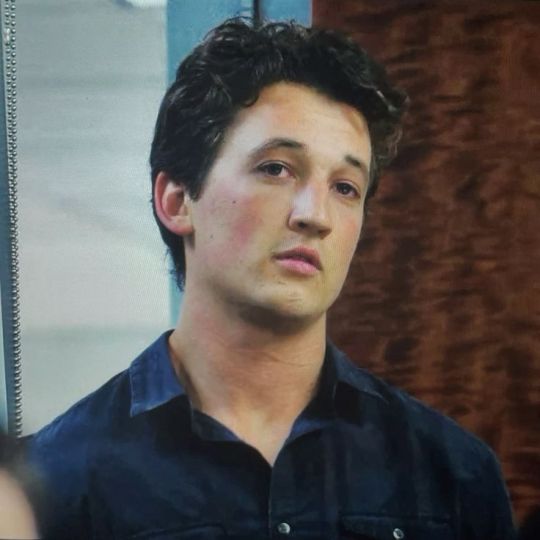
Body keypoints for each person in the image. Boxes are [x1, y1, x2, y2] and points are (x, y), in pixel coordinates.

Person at [28, 18, 515, 539]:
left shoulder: (452, 475)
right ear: (177, 200)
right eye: (277, 169)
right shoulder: (56, 482)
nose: (316, 215)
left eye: (345, 188)